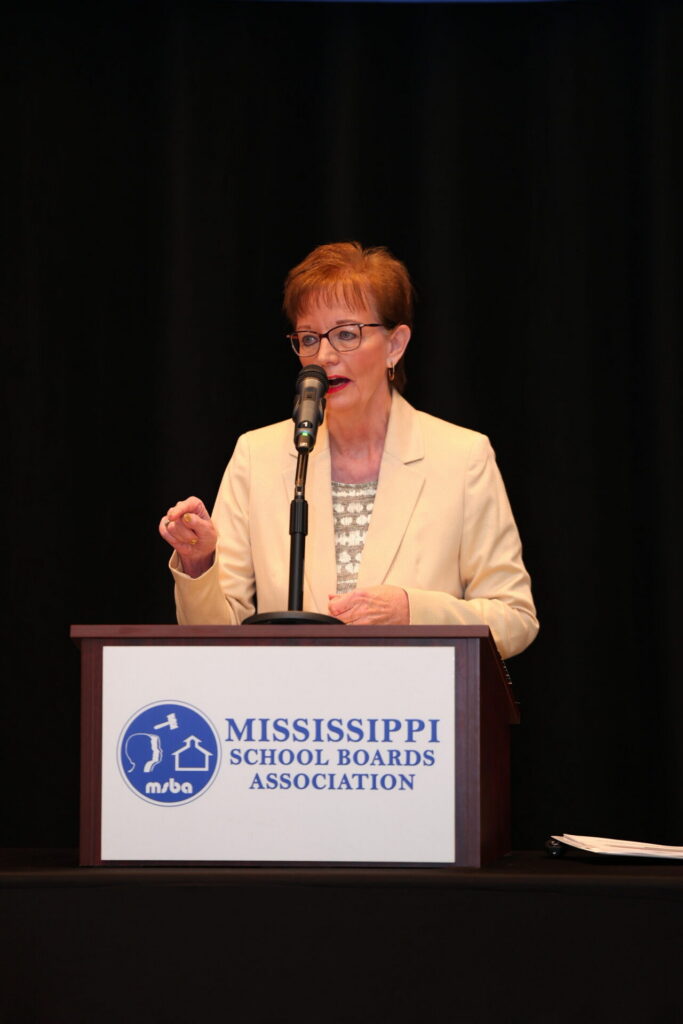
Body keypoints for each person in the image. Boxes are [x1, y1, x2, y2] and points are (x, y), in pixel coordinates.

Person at [159, 242, 538, 658]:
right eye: (308, 338)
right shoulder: (258, 455)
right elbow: (215, 640)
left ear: (395, 345)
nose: (323, 356)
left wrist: (412, 611)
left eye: (345, 334)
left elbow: (514, 618)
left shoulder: (462, 457)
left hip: (411, 700)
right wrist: (199, 563)